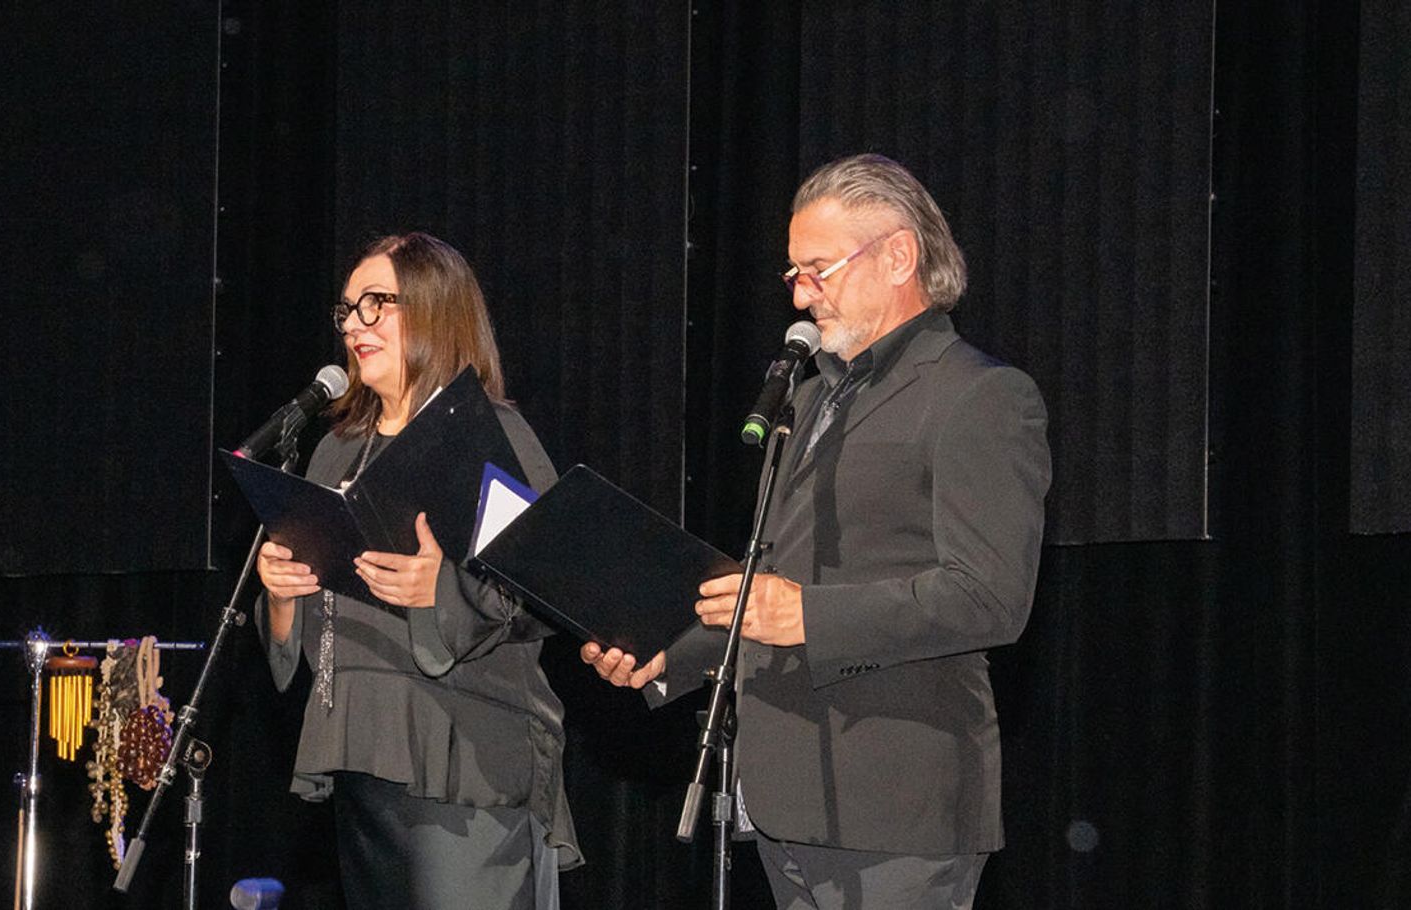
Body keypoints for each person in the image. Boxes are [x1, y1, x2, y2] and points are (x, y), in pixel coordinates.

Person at [583, 153, 1051, 909]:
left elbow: (989, 598)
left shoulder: (980, 395)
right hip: (786, 797)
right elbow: (768, 588)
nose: (801, 295)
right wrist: (664, 657)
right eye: (793, 274)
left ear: (898, 256)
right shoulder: (804, 402)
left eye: (818, 270)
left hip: (895, 800)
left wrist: (807, 614)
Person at [256, 232, 579, 909]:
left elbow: (548, 588)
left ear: (436, 310)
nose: (355, 325)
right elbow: (311, 627)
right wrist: (282, 595)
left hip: (462, 759)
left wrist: (442, 589)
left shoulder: (492, 436)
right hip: (359, 752)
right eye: (348, 309)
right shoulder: (335, 450)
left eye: (377, 303)